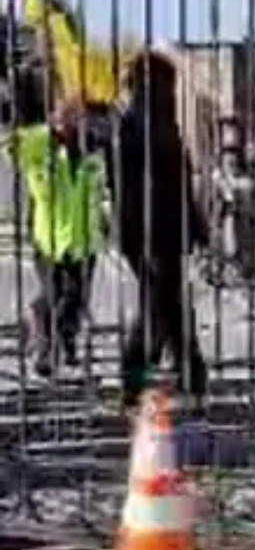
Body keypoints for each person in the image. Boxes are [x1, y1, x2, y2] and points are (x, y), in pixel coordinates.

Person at [114, 52, 210, 409]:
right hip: (148, 234)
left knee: (169, 305)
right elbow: (129, 190)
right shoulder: (134, 126)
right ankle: (144, 379)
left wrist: (196, 224)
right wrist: (139, 238)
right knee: (159, 307)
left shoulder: (162, 123)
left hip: (169, 231)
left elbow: (180, 181)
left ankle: (186, 375)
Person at [16, 97, 107, 377]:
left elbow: (101, 190)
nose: (75, 126)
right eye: (68, 120)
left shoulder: (94, 151)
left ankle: (62, 340)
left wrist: (104, 218)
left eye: (80, 120)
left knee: (76, 300)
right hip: (49, 240)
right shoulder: (40, 148)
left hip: (84, 241)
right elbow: (11, 142)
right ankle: (45, 351)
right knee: (57, 296)